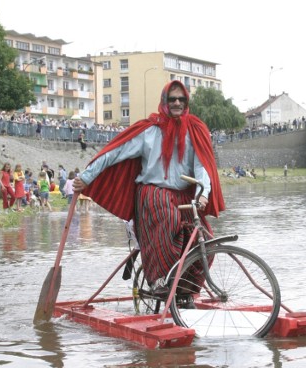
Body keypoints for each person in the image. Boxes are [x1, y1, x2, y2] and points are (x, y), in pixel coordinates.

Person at [72, 80, 224, 305]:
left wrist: (203, 194)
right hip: (154, 192)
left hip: (184, 194)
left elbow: (203, 166)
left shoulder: (195, 129)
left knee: (206, 242)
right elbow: (115, 152)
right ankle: (160, 280)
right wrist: (86, 177)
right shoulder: (149, 130)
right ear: (164, 101)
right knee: (169, 220)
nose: (177, 103)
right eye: (172, 99)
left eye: (181, 99)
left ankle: (185, 292)